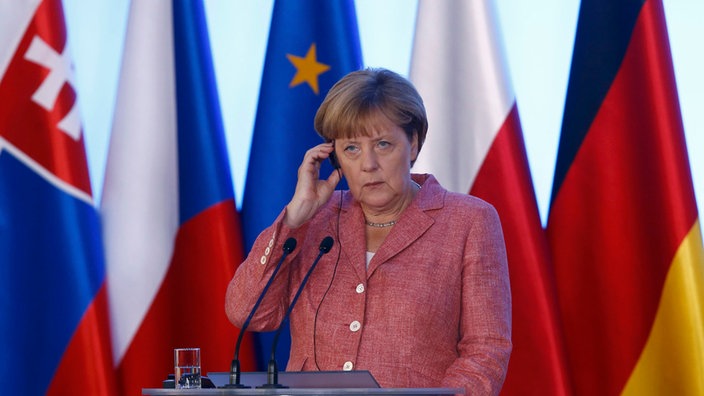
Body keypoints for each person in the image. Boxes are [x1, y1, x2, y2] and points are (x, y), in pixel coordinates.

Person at [225, 68, 512, 395]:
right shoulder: (315, 219)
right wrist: (294, 219)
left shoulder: (469, 221)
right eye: (351, 149)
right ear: (334, 159)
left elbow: (486, 350)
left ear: (413, 144)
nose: (368, 164)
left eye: (384, 144)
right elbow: (249, 313)